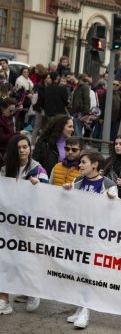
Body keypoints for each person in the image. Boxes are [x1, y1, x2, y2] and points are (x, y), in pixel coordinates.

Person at [60, 151, 118, 328]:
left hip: (95, 237)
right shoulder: (78, 181)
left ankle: (86, 310)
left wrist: (111, 199)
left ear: (95, 165)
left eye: (83, 162)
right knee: (79, 272)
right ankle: (79, 307)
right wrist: (66, 192)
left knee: (89, 273)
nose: (80, 165)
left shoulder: (108, 184)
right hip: (78, 235)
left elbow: (117, 210)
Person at [0, 134, 47, 315]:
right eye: (18, 148)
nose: (22, 151)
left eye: (25, 147)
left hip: (29, 224)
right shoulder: (5, 170)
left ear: (30, 148)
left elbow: (47, 190)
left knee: (25, 260)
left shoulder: (38, 169)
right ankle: (4, 299)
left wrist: (38, 185)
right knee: (3, 260)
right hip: (8, 224)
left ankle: (32, 289)